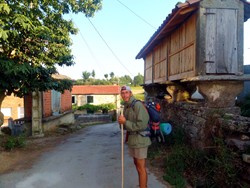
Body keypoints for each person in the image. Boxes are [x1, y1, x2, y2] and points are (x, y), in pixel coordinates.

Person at [118, 85, 151, 188]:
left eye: (126, 92)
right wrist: (121, 121)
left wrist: (125, 122)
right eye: (122, 93)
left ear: (131, 93)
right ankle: (143, 185)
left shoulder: (137, 105)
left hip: (140, 139)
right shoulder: (126, 107)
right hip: (132, 140)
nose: (124, 95)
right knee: (137, 165)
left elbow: (142, 125)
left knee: (141, 167)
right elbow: (123, 126)